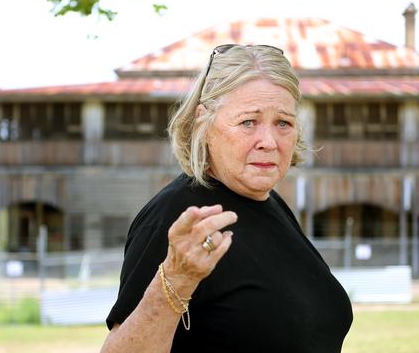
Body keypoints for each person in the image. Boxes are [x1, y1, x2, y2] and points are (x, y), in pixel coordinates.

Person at [100, 44, 353, 352]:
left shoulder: (271, 204)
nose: (269, 142)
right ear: (203, 124)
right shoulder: (179, 213)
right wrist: (176, 278)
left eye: (283, 123)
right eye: (249, 122)